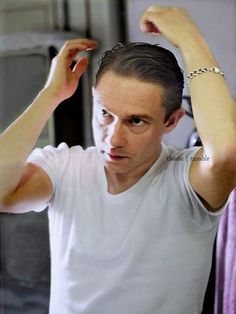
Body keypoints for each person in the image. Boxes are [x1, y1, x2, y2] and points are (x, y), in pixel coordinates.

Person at [0, 5, 236, 314]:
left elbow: (227, 153)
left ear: (171, 121)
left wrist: (191, 40)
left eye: (136, 121)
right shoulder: (63, 166)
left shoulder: (186, 180)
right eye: (105, 113)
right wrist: (50, 96)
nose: (112, 138)